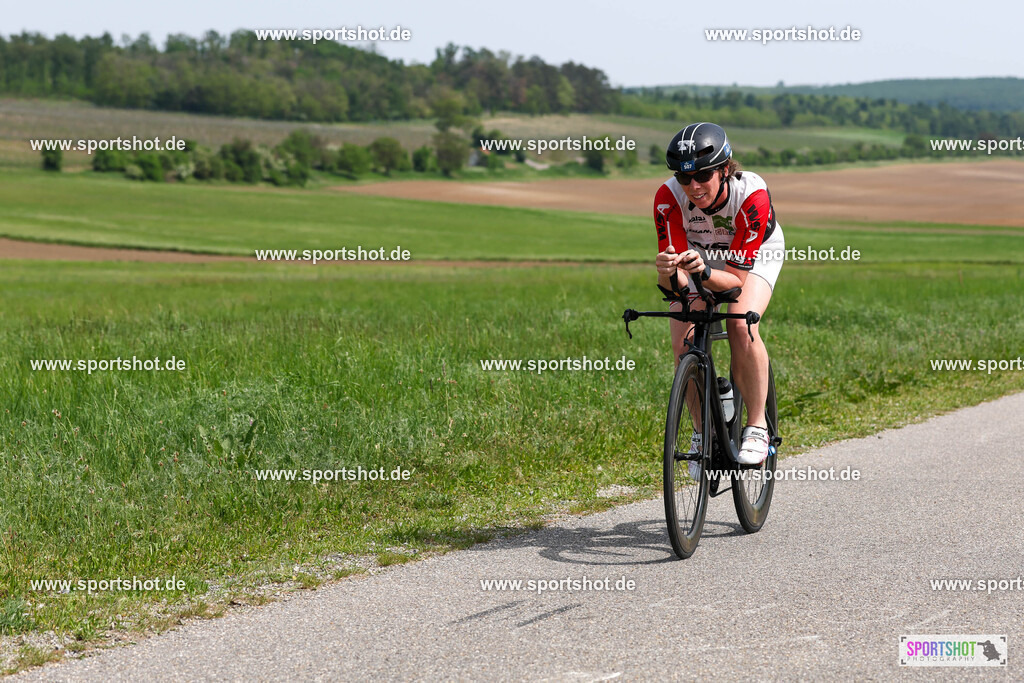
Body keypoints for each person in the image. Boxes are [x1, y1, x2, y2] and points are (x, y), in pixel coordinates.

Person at [653, 122, 784, 467]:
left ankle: (756, 427)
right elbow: (675, 288)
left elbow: (736, 282)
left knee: (741, 324)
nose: (693, 186)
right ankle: (703, 432)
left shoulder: (752, 196)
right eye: (685, 178)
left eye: (703, 175)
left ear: (725, 169)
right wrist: (667, 273)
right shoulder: (668, 199)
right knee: (684, 341)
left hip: (753, 256)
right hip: (700, 255)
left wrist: (706, 273)